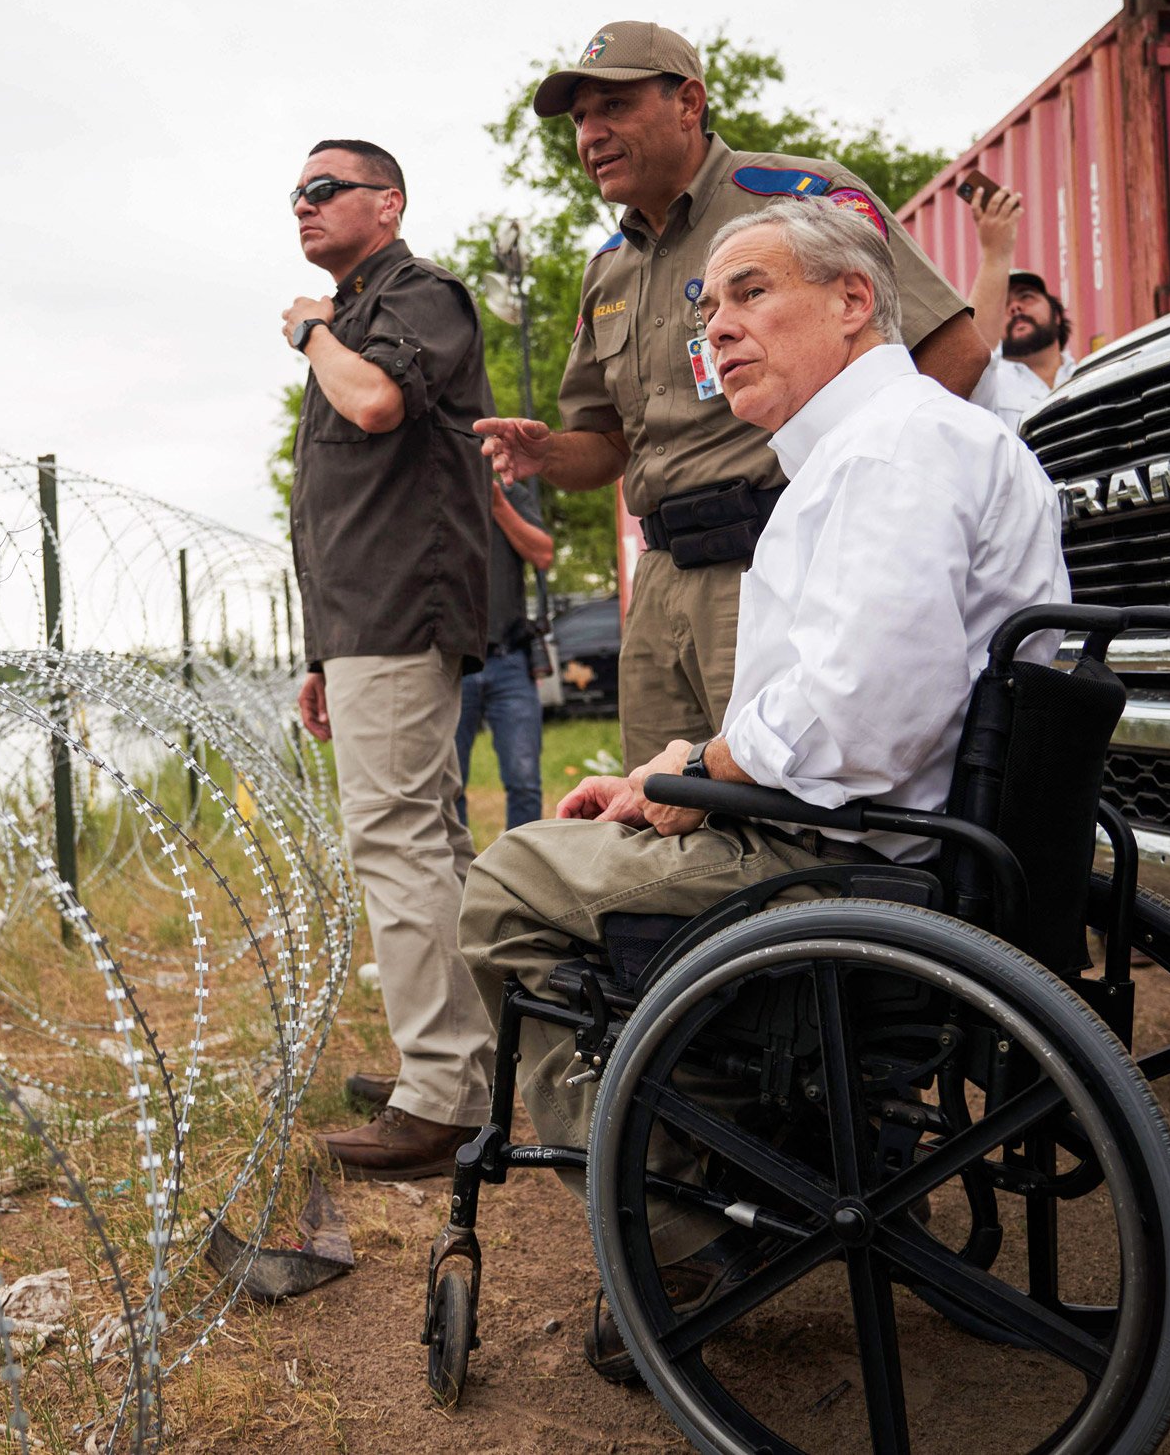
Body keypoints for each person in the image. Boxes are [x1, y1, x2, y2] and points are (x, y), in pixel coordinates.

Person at [459, 196, 1069, 1377]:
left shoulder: (889, 451)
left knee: (507, 883)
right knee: (588, 840)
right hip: (908, 840)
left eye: (751, 294)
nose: (717, 329)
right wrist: (670, 776)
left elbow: (863, 715)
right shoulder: (901, 445)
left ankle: (692, 1228)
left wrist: (705, 770)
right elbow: (851, 699)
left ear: (853, 301)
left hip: (854, 862)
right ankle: (759, 1145)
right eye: (706, 306)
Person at [474, 20, 986, 782]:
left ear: (688, 102)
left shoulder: (798, 203)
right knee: (655, 815)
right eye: (579, 118)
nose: (590, 134)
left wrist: (846, 502)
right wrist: (548, 454)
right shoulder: (607, 272)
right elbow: (609, 448)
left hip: (776, 558)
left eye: (612, 106)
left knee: (787, 815)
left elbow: (954, 351)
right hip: (659, 589)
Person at [281, 138, 499, 1178]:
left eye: (324, 189)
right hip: (362, 622)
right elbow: (340, 508)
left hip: (401, 612)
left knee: (397, 841)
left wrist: (314, 333)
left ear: (389, 201)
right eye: (296, 195)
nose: (302, 205)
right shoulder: (359, 315)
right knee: (430, 842)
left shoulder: (417, 296)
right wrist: (322, 652)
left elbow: (375, 404)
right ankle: (463, 1060)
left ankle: (442, 1091)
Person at [454, 474, 554, 834]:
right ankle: (458, 877)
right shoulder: (434, 490)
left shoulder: (510, 494)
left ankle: (519, 873)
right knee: (448, 783)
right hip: (453, 661)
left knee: (525, 778)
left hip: (509, 656)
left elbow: (543, 554)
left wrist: (497, 503)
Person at [965, 185, 1078, 431]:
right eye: (1003, 304)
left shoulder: (1089, 374)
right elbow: (972, 351)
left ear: (1057, 315)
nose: (1014, 307)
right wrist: (995, 252)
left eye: (1027, 297)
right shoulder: (990, 385)